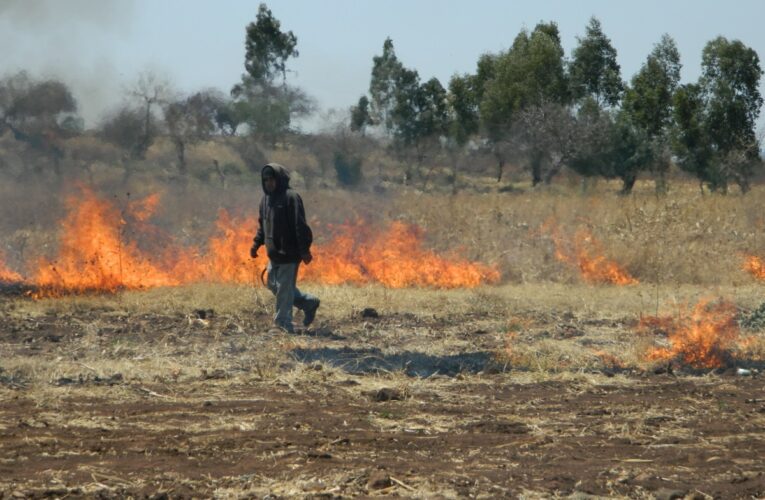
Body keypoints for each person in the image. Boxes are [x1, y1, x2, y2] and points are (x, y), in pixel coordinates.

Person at [250, 163, 320, 333]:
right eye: (265, 180)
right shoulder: (265, 200)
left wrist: (304, 250)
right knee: (274, 285)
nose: (269, 183)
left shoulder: (291, 197)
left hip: (290, 253)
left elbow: (300, 226)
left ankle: (283, 323)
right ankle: (309, 302)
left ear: (280, 179)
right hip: (274, 254)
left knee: (283, 289)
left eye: (272, 179)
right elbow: (263, 225)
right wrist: (256, 243)